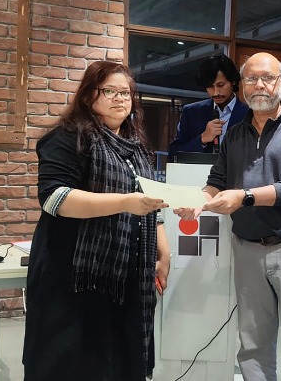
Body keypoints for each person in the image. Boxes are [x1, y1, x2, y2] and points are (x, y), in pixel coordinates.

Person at [177, 52, 281, 381]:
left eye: (267, 78)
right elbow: (217, 181)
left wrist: (244, 197)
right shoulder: (234, 134)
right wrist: (198, 202)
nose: (259, 85)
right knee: (252, 345)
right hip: (246, 249)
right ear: (242, 85)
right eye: (251, 78)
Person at [23, 60, 172, 379]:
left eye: (126, 93)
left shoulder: (135, 146)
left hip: (126, 274)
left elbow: (149, 200)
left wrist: (164, 249)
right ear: (89, 95)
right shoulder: (68, 137)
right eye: (110, 91)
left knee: (119, 362)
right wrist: (126, 202)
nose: (120, 99)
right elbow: (55, 198)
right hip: (75, 274)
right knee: (73, 364)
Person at [170, 53, 251, 153]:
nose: (216, 92)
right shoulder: (191, 112)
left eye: (220, 85)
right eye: (210, 86)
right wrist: (202, 139)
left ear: (233, 81)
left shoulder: (250, 114)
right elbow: (174, 153)